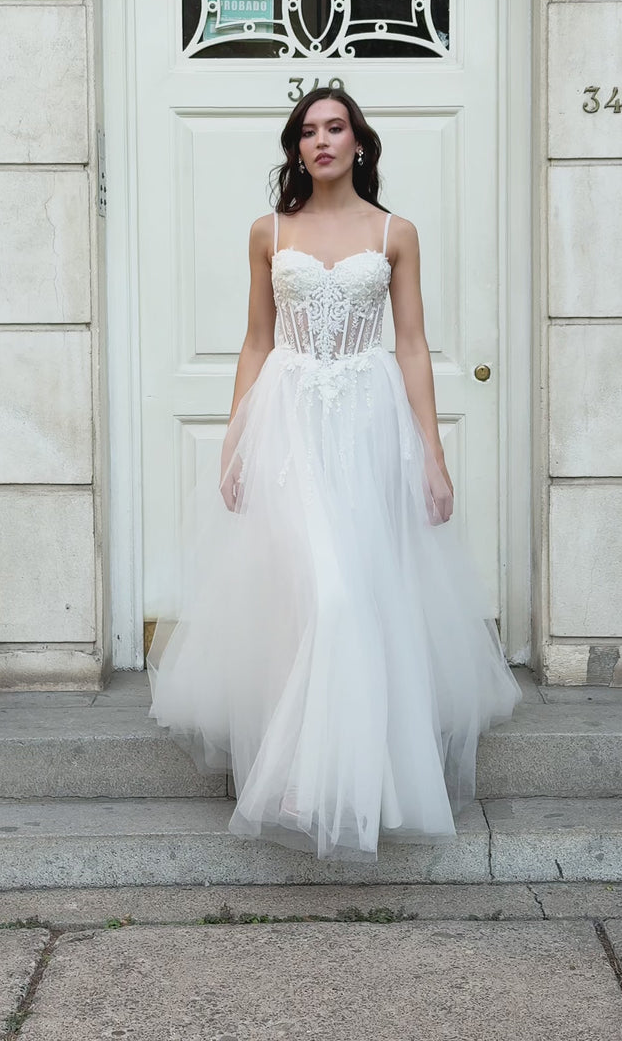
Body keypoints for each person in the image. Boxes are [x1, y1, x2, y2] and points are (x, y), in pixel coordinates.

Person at [147, 87, 521, 861]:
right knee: (310, 592)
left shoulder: (395, 232)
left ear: (359, 142)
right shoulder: (269, 230)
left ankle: (349, 771)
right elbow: (255, 341)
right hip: (286, 425)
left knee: (355, 590)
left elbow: (412, 345)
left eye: (335, 128)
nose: (322, 141)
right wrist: (235, 435)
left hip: (365, 423)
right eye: (308, 131)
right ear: (297, 148)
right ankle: (299, 770)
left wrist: (434, 455)